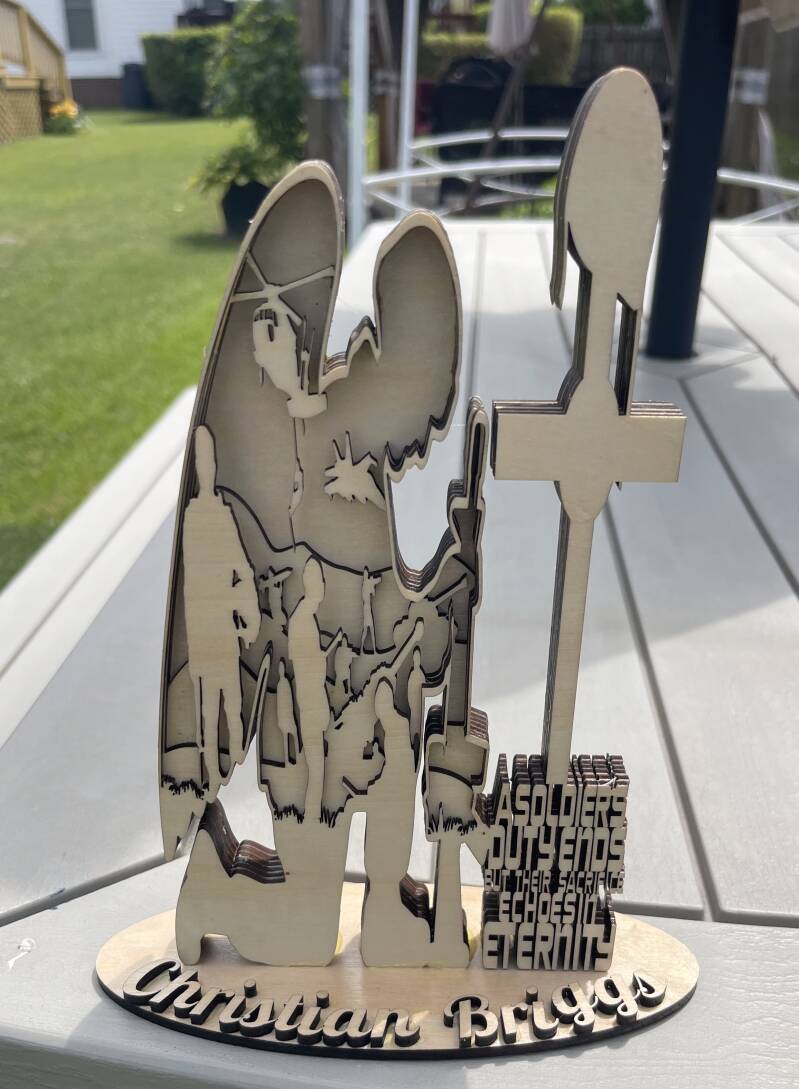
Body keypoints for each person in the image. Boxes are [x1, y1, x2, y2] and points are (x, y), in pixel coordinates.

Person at [182, 425, 260, 798]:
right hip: (205, 630)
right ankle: (211, 775)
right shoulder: (193, 518)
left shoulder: (222, 514)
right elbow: (197, 582)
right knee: (210, 709)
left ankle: (236, 763)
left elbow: (241, 567)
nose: (207, 468)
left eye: (210, 460)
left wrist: (249, 614)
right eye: (202, 461)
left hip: (224, 629)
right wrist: (233, 602)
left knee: (233, 700)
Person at [288, 557, 332, 821]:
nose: (323, 586)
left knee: (318, 768)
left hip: (312, 701)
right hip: (310, 702)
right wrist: (323, 659)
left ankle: (312, 817)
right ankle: (311, 819)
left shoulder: (305, 617)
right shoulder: (302, 620)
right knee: (315, 769)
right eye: (320, 580)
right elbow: (306, 668)